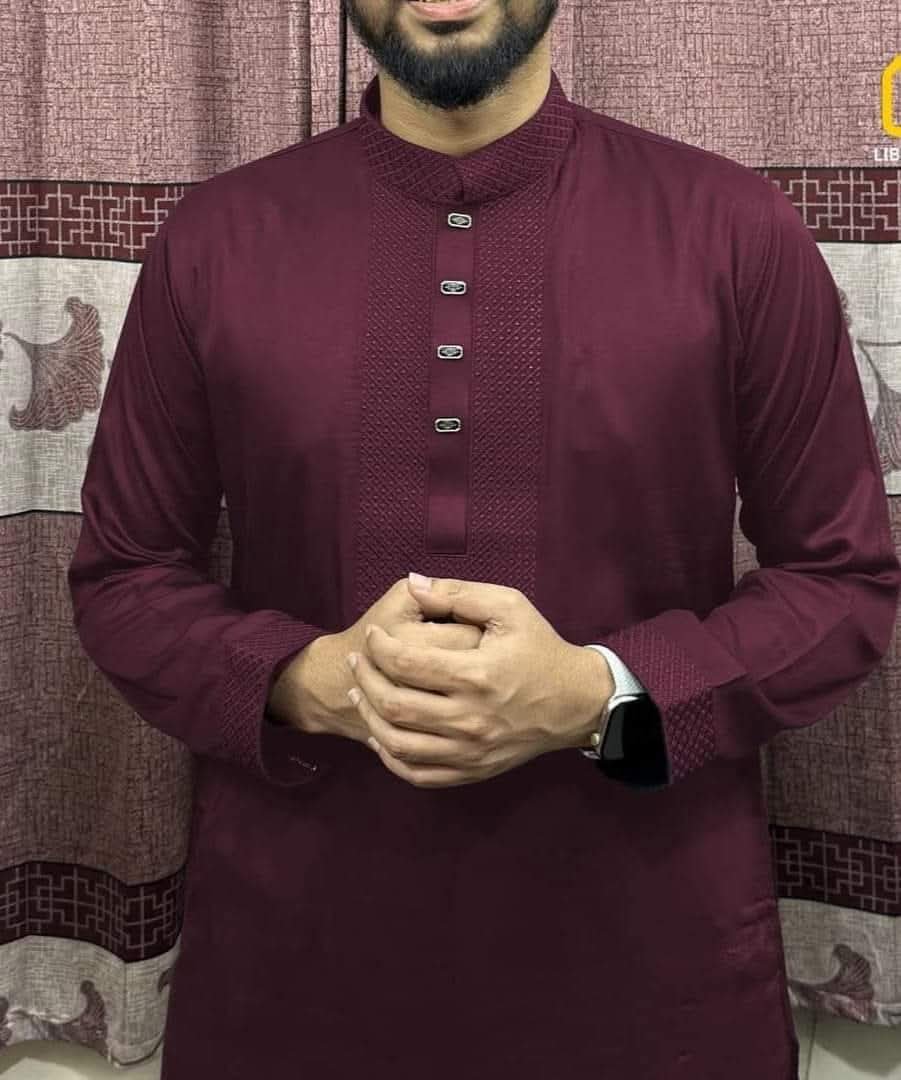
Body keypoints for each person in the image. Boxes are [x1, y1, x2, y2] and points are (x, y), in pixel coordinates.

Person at [67, 0, 900, 1076]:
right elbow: (124, 575)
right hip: (293, 969)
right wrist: (312, 682)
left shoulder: (734, 228)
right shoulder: (215, 239)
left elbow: (841, 580)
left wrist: (599, 695)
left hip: (653, 973)